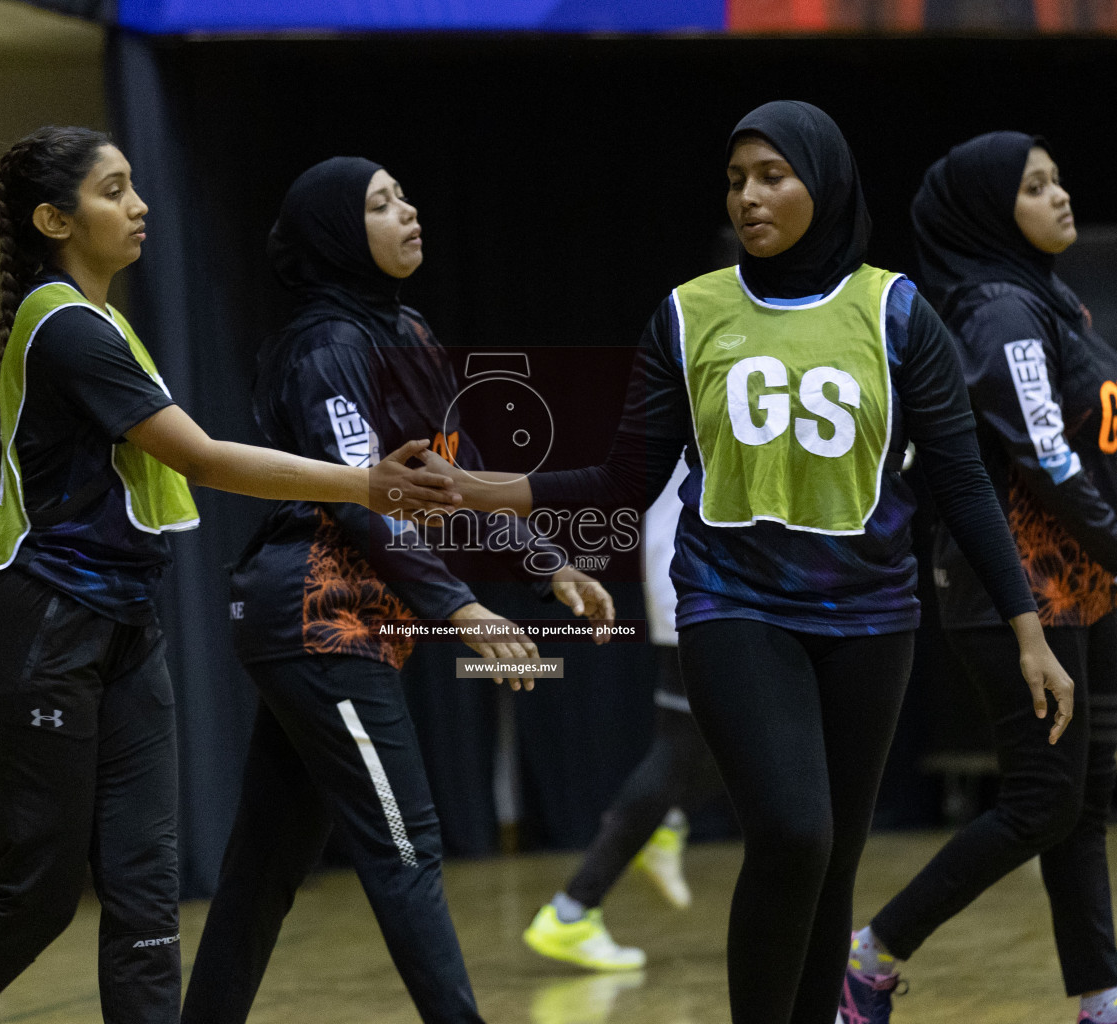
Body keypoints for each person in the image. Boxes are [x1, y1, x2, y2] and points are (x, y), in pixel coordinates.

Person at [421, 100, 1074, 1024]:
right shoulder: (688, 314)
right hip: (734, 603)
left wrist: (1026, 629)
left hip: (872, 615)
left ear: (826, 182)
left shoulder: (897, 312)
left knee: (835, 852)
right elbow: (626, 476)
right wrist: (493, 493)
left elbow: (964, 485)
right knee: (792, 831)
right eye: (735, 180)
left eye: (772, 175)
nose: (748, 196)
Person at [0, 128, 458, 1024]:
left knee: (148, 903)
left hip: (123, 625)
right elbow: (204, 459)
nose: (140, 205)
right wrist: (369, 481)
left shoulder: (102, 319)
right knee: (35, 899)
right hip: (35, 631)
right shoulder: (66, 327)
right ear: (53, 218)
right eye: (115, 191)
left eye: (135, 186)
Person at [178, 156, 614, 1024]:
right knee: (405, 847)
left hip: (336, 627)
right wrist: (460, 606)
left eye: (405, 195)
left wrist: (548, 561)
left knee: (264, 868)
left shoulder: (406, 330)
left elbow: (455, 478)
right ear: (341, 236)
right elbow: (367, 500)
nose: (408, 211)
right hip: (315, 616)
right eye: (381, 204)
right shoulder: (326, 347)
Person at [840, 132, 1117, 1024]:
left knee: (1079, 805)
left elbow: (1075, 432)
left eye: (1056, 178)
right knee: (1043, 803)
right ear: (983, 210)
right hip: (1012, 592)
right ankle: (869, 955)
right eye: (1034, 186)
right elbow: (1040, 458)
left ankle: (1104, 999)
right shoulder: (994, 310)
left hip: (1079, 580)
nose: (1059, 196)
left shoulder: (1046, 297)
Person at [522, 457, 726, 971]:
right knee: (687, 745)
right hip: (705, 570)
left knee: (722, 736)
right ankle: (573, 910)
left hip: (718, 571)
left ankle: (656, 830)